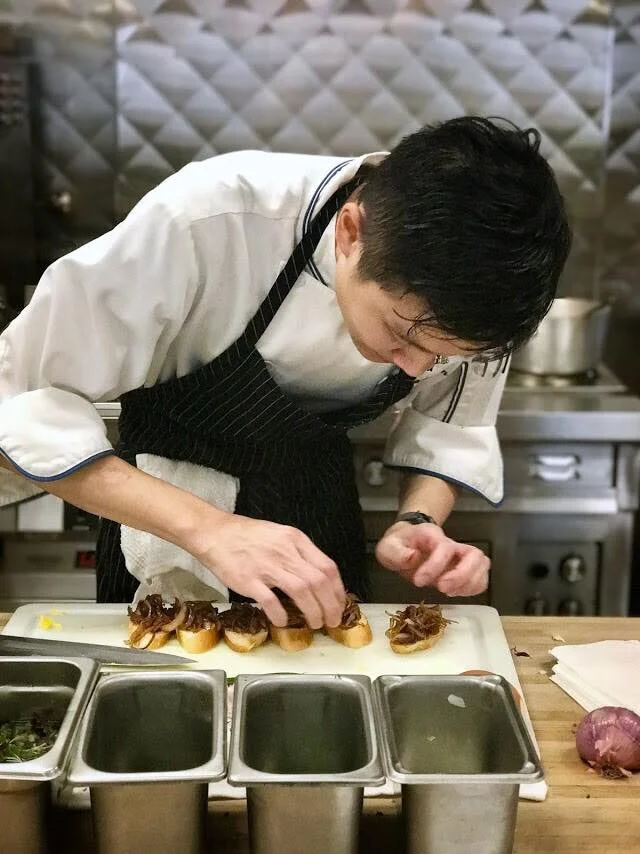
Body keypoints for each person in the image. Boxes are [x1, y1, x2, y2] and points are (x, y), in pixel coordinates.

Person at [0, 116, 571, 630]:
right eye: (402, 334)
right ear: (351, 232)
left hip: (317, 524)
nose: (419, 366)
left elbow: (449, 426)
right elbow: (23, 405)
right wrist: (211, 530)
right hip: (163, 524)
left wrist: (418, 521)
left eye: (445, 356)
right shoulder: (209, 218)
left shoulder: (485, 290)